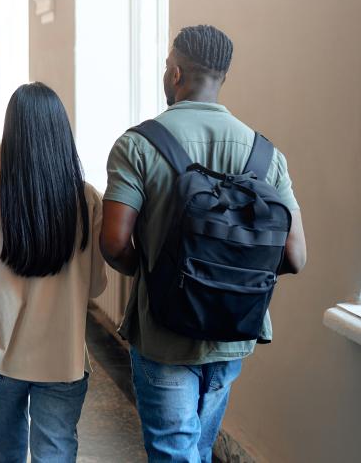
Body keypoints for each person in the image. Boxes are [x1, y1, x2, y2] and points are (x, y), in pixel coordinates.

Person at [100, 25, 307, 463]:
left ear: (175, 73)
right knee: (198, 448)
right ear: (222, 76)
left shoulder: (138, 145)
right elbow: (295, 256)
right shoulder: (266, 155)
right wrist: (233, 276)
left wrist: (156, 269)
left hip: (164, 332)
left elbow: (115, 243)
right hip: (234, 331)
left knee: (173, 451)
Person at [0, 82, 106, 463]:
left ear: (11, 133)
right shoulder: (86, 198)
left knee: (6, 451)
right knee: (56, 451)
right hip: (63, 357)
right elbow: (94, 285)